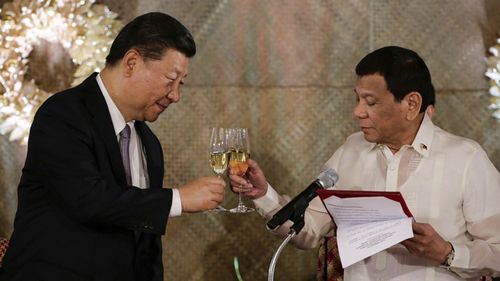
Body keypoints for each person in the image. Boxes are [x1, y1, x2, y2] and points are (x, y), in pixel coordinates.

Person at [230, 46, 500, 280]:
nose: (357, 111)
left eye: (370, 102)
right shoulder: (351, 150)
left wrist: (447, 253)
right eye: (357, 99)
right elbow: (307, 231)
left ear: (411, 104)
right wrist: (264, 194)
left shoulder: (466, 159)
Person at [0, 12, 225, 281]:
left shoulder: (149, 144)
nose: (176, 95)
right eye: (170, 80)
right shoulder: (63, 114)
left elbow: (145, 246)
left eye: (181, 84)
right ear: (132, 62)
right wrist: (178, 199)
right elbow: (89, 200)